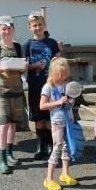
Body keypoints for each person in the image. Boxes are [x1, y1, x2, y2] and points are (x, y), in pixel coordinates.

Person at [0, 15, 26, 173]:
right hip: (0, 91)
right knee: (3, 123)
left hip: (17, 90)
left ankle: (10, 153)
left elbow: (24, 67)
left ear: (14, 29)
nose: (7, 30)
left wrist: (23, 66)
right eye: (4, 28)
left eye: (9, 28)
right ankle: (2, 159)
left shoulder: (18, 47)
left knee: (13, 123)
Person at [23, 11, 60, 160]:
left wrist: (53, 65)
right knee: (38, 117)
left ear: (44, 25)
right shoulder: (27, 44)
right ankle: (40, 147)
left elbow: (59, 62)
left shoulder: (52, 42)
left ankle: (51, 145)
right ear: (30, 27)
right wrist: (34, 66)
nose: (37, 27)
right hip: (35, 85)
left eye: (40, 24)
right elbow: (23, 66)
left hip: (50, 86)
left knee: (49, 116)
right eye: (34, 25)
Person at [39, 57, 78, 190]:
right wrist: (58, 102)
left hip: (68, 120)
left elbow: (69, 103)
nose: (61, 77)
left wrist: (71, 104)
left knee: (66, 148)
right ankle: (49, 179)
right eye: (58, 74)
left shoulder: (66, 85)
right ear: (52, 72)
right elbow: (42, 106)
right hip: (56, 122)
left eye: (63, 73)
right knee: (57, 148)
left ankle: (65, 174)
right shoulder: (48, 87)